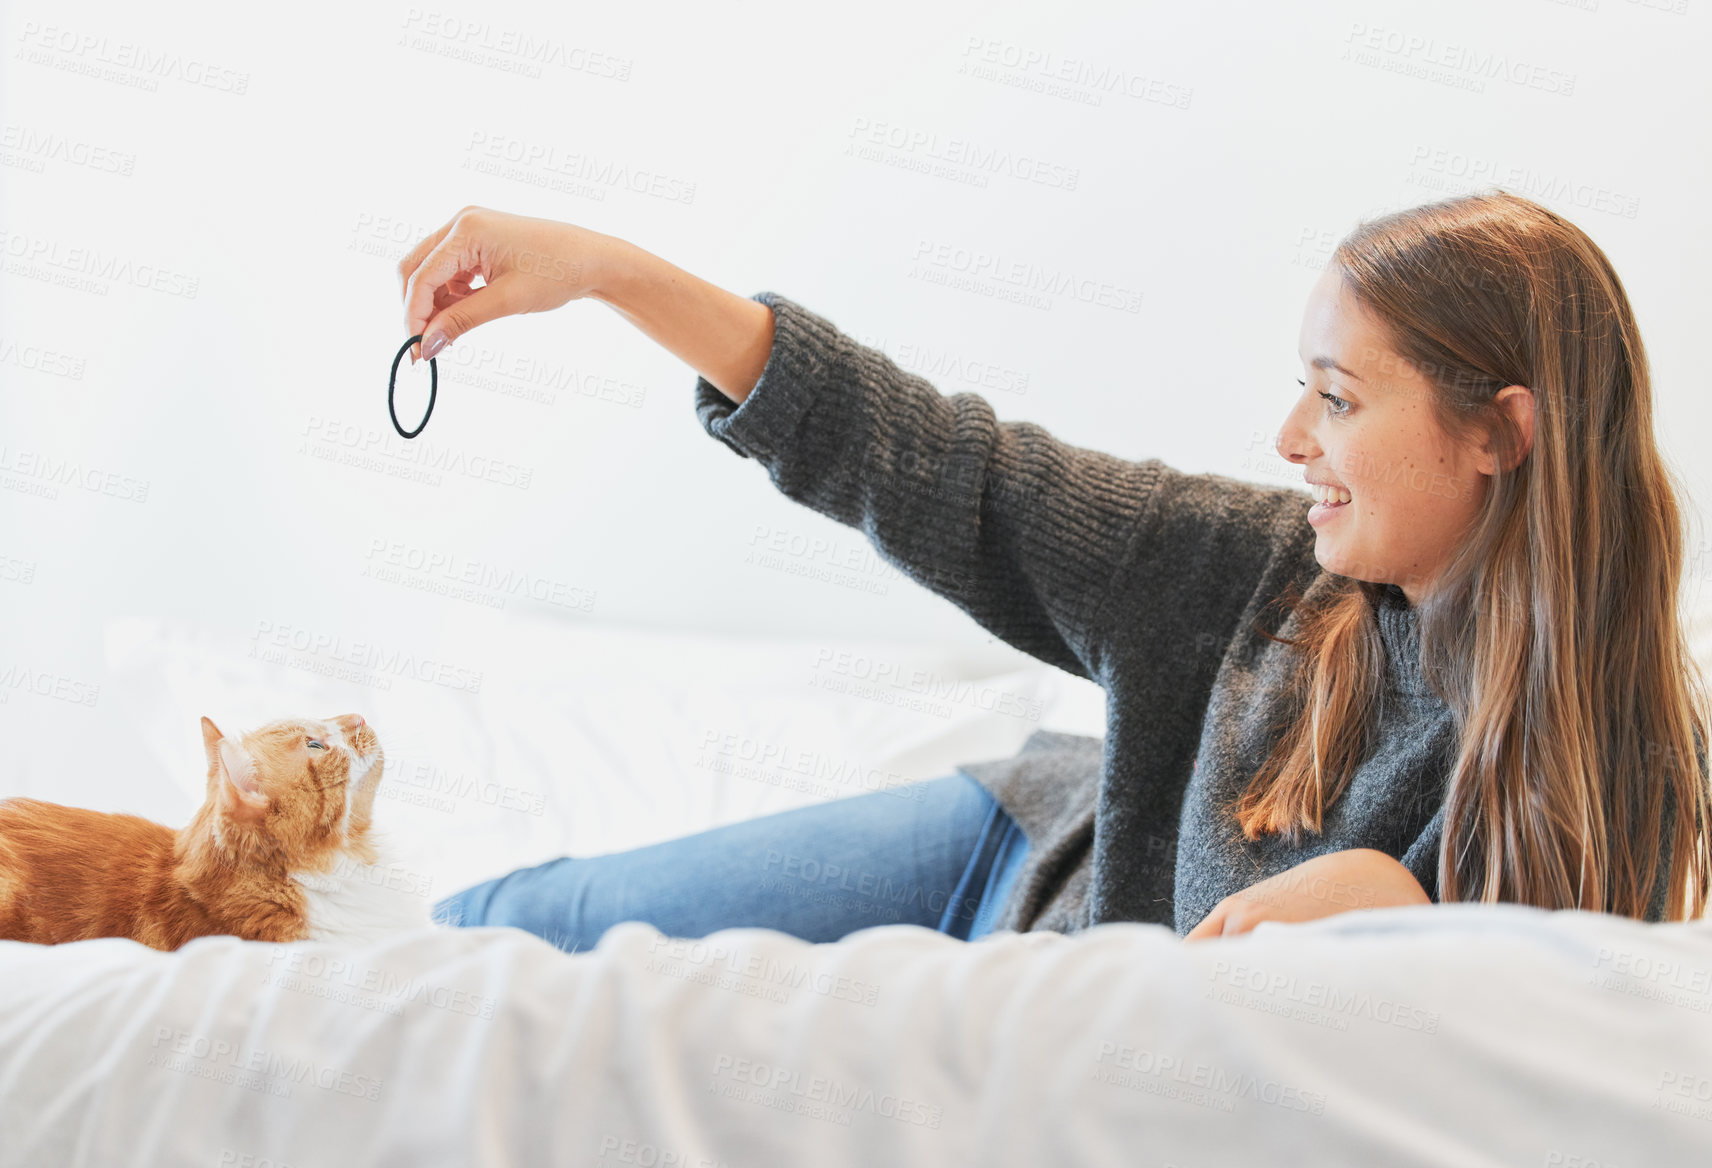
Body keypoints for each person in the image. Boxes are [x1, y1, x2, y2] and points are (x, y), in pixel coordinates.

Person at [405, 192, 1712, 954]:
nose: (1290, 438)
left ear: (1500, 433)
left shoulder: (1630, 785)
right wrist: (607, 272)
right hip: (1021, 848)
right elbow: (943, 468)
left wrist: (1394, 921)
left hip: (1067, 1020)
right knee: (530, 925)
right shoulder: (1260, 571)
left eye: (1337, 397)